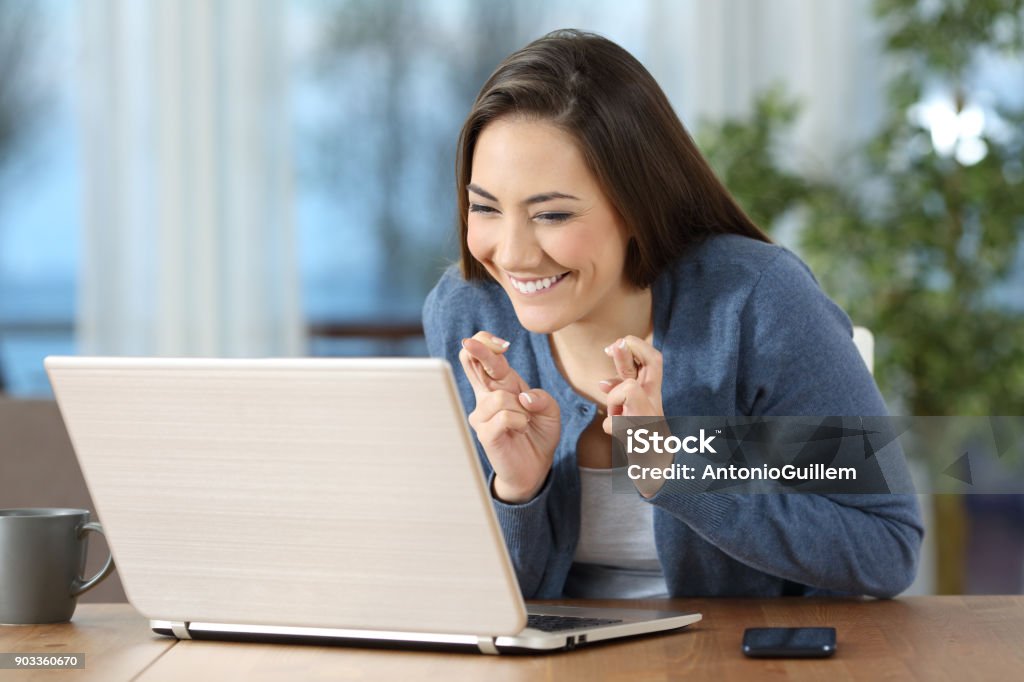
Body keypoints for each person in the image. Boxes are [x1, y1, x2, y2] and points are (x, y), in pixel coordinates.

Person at [423, 29, 922, 599]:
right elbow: (485, 601)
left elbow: (887, 548)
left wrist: (678, 473)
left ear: (635, 206)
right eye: (484, 207)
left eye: (553, 215)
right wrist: (516, 490)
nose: (510, 253)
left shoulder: (756, 302)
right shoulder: (465, 312)